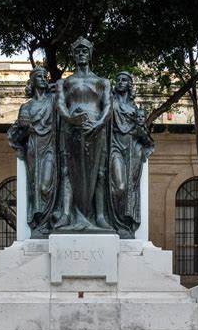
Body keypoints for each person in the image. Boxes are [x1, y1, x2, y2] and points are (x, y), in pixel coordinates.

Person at [54, 37, 112, 231]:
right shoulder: (64, 82)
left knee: (100, 173)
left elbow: (108, 107)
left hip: (96, 130)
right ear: (73, 55)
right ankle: (66, 214)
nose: (81, 54)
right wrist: (71, 119)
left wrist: (98, 124)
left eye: (84, 51)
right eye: (77, 51)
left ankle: (101, 216)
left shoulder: (102, 81)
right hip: (71, 130)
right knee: (68, 172)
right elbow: (61, 105)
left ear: (90, 54)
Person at [8, 66, 57, 236]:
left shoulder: (54, 101)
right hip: (33, 148)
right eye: (40, 76)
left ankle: (51, 220)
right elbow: (18, 135)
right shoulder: (26, 107)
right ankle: (40, 223)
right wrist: (25, 128)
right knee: (35, 185)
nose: (44, 79)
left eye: (46, 76)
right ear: (33, 81)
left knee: (46, 185)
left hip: (50, 147)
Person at [109, 71, 154, 237]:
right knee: (119, 186)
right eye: (118, 79)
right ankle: (115, 222)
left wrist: (140, 126)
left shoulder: (136, 109)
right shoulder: (110, 102)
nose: (120, 82)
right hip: (115, 146)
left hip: (133, 147)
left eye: (124, 80)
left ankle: (126, 225)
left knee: (130, 186)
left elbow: (143, 134)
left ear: (130, 85)